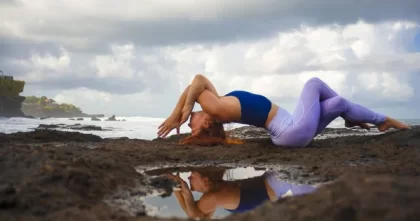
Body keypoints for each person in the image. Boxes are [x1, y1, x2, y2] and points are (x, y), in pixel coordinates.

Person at [158, 74, 409, 147]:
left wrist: (177, 112)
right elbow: (197, 81)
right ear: (205, 124)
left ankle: (358, 119)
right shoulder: (215, 108)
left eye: (189, 118)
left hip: (292, 130)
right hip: (291, 132)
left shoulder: (218, 102)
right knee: (313, 83)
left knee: (339, 103)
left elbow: (198, 84)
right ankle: (380, 120)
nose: (190, 117)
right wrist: (182, 110)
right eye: (191, 122)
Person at [166, 169, 317, 219]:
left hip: (279, 181)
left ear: (205, 181)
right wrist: (176, 188)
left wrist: (185, 192)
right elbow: (202, 218)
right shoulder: (215, 194)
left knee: (316, 209)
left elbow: (196, 216)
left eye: (193, 174)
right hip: (277, 182)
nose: (189, 177)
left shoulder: (214, 197)